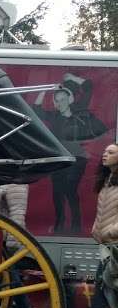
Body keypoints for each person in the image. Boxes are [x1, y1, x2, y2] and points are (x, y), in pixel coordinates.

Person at [33, 73, 105, 235]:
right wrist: (46, 89)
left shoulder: (79, 110)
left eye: (63, 99)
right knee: (57, 193)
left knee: (70, 190)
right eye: (56, 101)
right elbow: (36, 110)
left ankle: (76, 226)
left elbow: (88, 87)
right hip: (59, 159)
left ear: (70, 99)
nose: (60, 103)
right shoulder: (54, 116)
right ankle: (59, 226)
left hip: (77, 159)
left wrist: (73, 77)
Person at [68, 143, 118, 308]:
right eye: (105, 151)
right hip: (107, 242)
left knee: (105, 281)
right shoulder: (107, 180)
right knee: (105, 282)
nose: (105, 154)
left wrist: (110, 231)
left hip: (114, 241)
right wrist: (97, 229)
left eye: (111, 152)